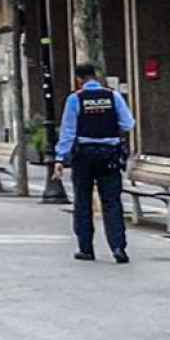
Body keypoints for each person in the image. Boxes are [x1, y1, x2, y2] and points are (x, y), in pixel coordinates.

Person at [54, 63, 135, 263]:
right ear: (95, 76)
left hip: (84, 155)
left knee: (82, 201)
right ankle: (118, 247)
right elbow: (128, 123)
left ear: (79, 79)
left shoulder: (75, 99)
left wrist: (60, 158)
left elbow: (68, 131)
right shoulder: (113, 96)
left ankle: (86, 248)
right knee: (112, 202)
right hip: (109, 155)